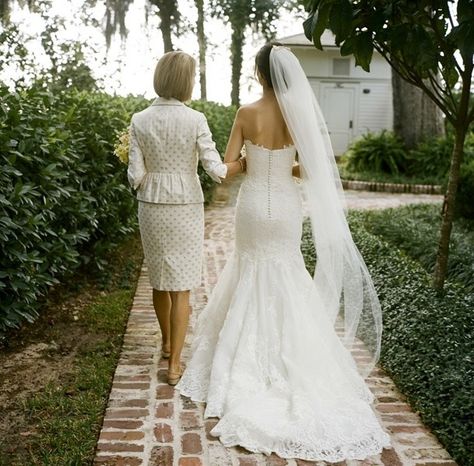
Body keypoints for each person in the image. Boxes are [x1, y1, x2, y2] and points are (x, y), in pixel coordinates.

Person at [175, 43, 392, 461]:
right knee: (288, 271)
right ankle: (294, 355)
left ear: (259, 74)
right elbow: (311, 169)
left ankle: (241, 360)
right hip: (287, 207)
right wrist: (284, 166)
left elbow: (229, 164)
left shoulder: (246, 113)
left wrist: (256, 164)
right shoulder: (300, 115)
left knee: (249, 269)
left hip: (254, 205)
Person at [127, 51, 245, 386]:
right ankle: (175, 365)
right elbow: (216, 170)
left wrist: (149, 176)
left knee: (158, 278)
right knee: (182, 288)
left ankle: (165, 343)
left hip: (150, 204)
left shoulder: (139, 119)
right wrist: (244, 164)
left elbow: (135, 173)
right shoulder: (196, 120)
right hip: (185, 207)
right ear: (186, 81)